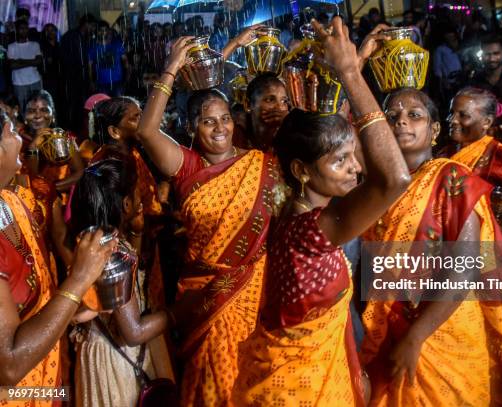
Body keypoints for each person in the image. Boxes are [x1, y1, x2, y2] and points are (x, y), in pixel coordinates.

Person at [232, 16, 410, 406]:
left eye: (351, 157)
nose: (355, 167)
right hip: (300, 390)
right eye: (341, 160)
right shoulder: (310, 231)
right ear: (301, 170)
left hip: (309, 377)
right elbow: (394, 179)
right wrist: (349, 71)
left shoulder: (299, 214)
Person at [136, 35, 287, 406]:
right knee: (218, 388)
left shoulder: (260, 163)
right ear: (193, 128)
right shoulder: (187, 166)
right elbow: (145, 131)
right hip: (208, 299)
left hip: (260, 293)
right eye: (208, 122)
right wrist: (171, 69)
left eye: (224, 119)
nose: (219, 129)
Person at [360, 87, 502, 407]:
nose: (401, 123)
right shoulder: (371, 189)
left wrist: (415, 337)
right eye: (392, 117)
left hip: (444, 332)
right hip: (385, 329)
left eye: (414, 115)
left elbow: (463, 272)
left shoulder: (453, 179)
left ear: (435, 130)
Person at [0, 105, 116, 391]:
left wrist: (72, 304)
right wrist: (79, 279)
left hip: (47, 374)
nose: (19, 136)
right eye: (12, 130)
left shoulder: (16, 201)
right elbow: (10, 365)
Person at [68, 159, 174, 407]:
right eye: (138, 191)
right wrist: (179, 313)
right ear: (126, 203)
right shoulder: (114, 253)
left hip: (99, 354)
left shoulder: (91, 241)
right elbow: (133, 332)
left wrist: (136, 233)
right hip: (118, 360)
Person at [441, 87, 502, 193]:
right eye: (451, 113)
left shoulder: (501, 155)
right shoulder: (445, 151)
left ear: (486, 122)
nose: (452, 120)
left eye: (463, 115)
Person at [239, 73, 290, 151]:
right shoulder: (236, 137)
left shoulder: (292, 137)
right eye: (270, 100)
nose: (279, 107)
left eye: (284, 101)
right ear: (248, 105)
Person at [7, 20, 42, 112]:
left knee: (38, 107)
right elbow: (12, 65)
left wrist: (21, 61)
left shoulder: (35, 44)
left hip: (35, 81)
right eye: (21, 29)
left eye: (26, 28)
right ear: (17, 30)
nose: (24, 31)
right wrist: (31, 62)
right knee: (24, 110)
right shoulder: (11, 47)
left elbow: (38, 62)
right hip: (19, 83)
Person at [88, 21, 130, 97]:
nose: (103, 32)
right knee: (104, 106)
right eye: (101, 30)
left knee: (118, 106)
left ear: (108, 31)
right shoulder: (93, 48)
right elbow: (89, 66)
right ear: (97, 32)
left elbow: (126, 62)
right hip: (101, 83)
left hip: (117, 82)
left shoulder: (117, 45)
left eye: (105, 30)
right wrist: (91, 81)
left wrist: (126, 78)